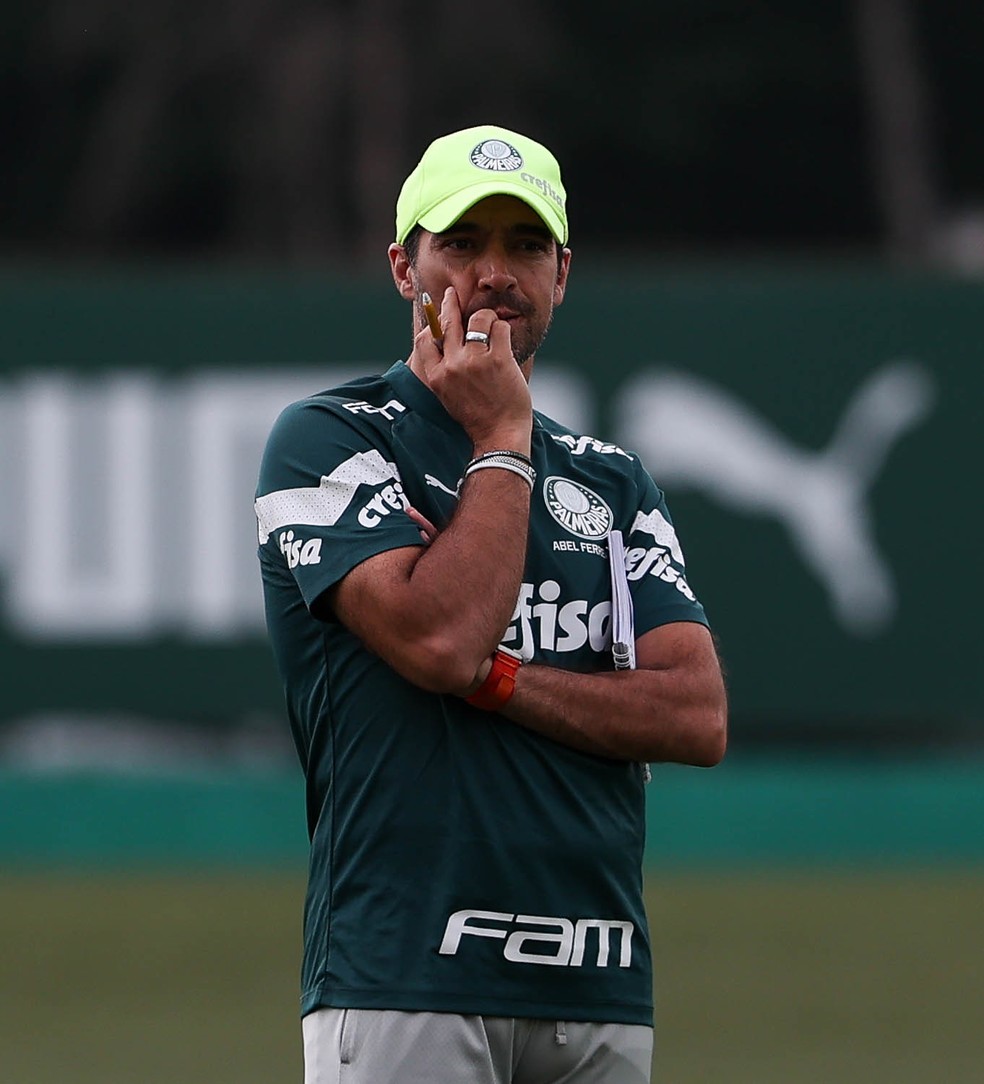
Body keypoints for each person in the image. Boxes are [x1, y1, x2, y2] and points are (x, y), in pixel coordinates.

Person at [255, 124, 727, 1084]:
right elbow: (438, 642)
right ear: (404, 268)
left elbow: (695, 712)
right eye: (461, 245)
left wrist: (503, 676)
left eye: (524, 246)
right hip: (403, 981)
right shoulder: (330, 442)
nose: (494, 273)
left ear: (563, 273)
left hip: (596, 986)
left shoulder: (613, 482)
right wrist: (503, 436)